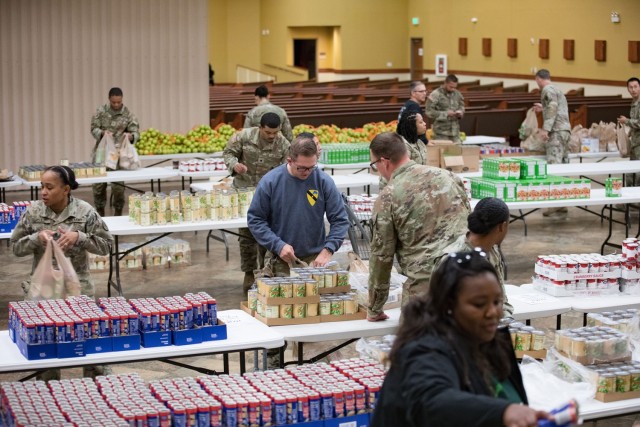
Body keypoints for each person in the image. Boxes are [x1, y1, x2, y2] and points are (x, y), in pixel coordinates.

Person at [371, 250, 551, 427]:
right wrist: (503, 412)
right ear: (449, 304)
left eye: (497, 302)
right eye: (479, 304)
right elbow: (433, 401)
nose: (492, 312)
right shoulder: (425, 348)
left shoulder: (487, 340)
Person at [11, 165, 114, 379]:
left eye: (49, 187)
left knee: (90, 347)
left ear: (66, 189)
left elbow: (107, 246)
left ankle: (98, 396)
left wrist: (80, 237)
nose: (43, 192)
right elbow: (16, 248)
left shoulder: (84, 212)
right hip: (45, 290)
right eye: (42, 187)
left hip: (78, 290)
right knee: (46, 348)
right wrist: (36, 238)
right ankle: (50, 397)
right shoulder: (34, 212)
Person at [367, 132, 470, 322]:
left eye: (374, 165)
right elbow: (470, 227)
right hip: (466, 280)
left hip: (425, 292)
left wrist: (375, 307)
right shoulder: (448, 177)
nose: (377, 170)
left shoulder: (388, 196)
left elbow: (381, 257)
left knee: (420, 349)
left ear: (384, 162)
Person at [247, 135, 349, 277]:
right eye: (302, 168)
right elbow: (255, 220)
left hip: (316, 261)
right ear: (290, 160)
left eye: (311, 167)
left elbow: (340, 220)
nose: (307, 172)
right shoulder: (270, 182)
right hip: (280, 260)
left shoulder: (323, 181)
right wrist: (278, 245)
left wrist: (328, 249)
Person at [223, 112, 291, 293]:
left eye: (275, 132)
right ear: (260, 128)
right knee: (246, 237)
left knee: (267, 235)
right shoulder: (243, 136)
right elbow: (228, 153)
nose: (272, 136)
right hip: (244, 192)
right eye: (268, 132)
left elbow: (288, 169)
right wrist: (234, 165)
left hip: (268, 194)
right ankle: (248, 273)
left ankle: (265, 272)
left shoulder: (283, 144)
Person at [433, 197, 514, 317]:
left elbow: (501, 300)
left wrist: (507, 323)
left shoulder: (493, 250)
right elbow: (441, 311)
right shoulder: (452, 260)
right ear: (502, 227)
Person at [90, 87, 140, 216]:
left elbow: (135, 131)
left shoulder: (127, 114)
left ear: (122, 99)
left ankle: (118, 212)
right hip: (102, 154)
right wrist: (101, 133)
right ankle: (100, 213)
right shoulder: (101, 112)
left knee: (118, 187)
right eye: (114, 102)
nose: (116, 105)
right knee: (98, 185)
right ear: (109, 100)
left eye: (118, 102)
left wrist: (131, 136)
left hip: (118, 156)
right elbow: (93, 128)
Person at [533, 69, 571, 218]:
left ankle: (555, 203)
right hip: (565, 131)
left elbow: (553, 109)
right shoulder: (556, 89)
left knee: (554, 168)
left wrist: (545, 129)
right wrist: (543, 108)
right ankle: (562, 202)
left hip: (556, 133)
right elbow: (557, 108)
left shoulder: (547, 90)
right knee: (564, 168)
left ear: (538, 79)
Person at [425, 74, 465, 143]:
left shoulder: (457, 94)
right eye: (451, 87)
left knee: (456, 153)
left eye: (454, 87)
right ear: (445, 83)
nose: (453, 89)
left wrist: (461, 112)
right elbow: (428, 111)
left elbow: (462, 106)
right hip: (441, 133)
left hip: (455, 132)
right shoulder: (436, 94)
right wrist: (446, 114)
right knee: (442, 153)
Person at [618, 77, 640, 187]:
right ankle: (629, 201)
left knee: (637, 173)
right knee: (632, 172)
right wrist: (630, 131)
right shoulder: (634, 102)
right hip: (635, 143)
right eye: (630, 87)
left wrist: (626, 121)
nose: (633, 89)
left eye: (635, 87)